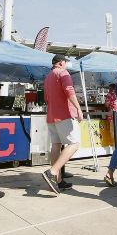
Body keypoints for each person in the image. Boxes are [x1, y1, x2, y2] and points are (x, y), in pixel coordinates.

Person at [41, 54, 83, 195]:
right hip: (64, 114)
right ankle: (52, 172)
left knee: (56, 145)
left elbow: (46, 98)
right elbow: (69, 91)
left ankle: (57, 180)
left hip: (51, 115)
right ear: (60, 63)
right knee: (74, 143)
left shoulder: (48, 77)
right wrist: (78, 108)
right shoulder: (63, 73)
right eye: (65, 62)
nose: (66, 64)